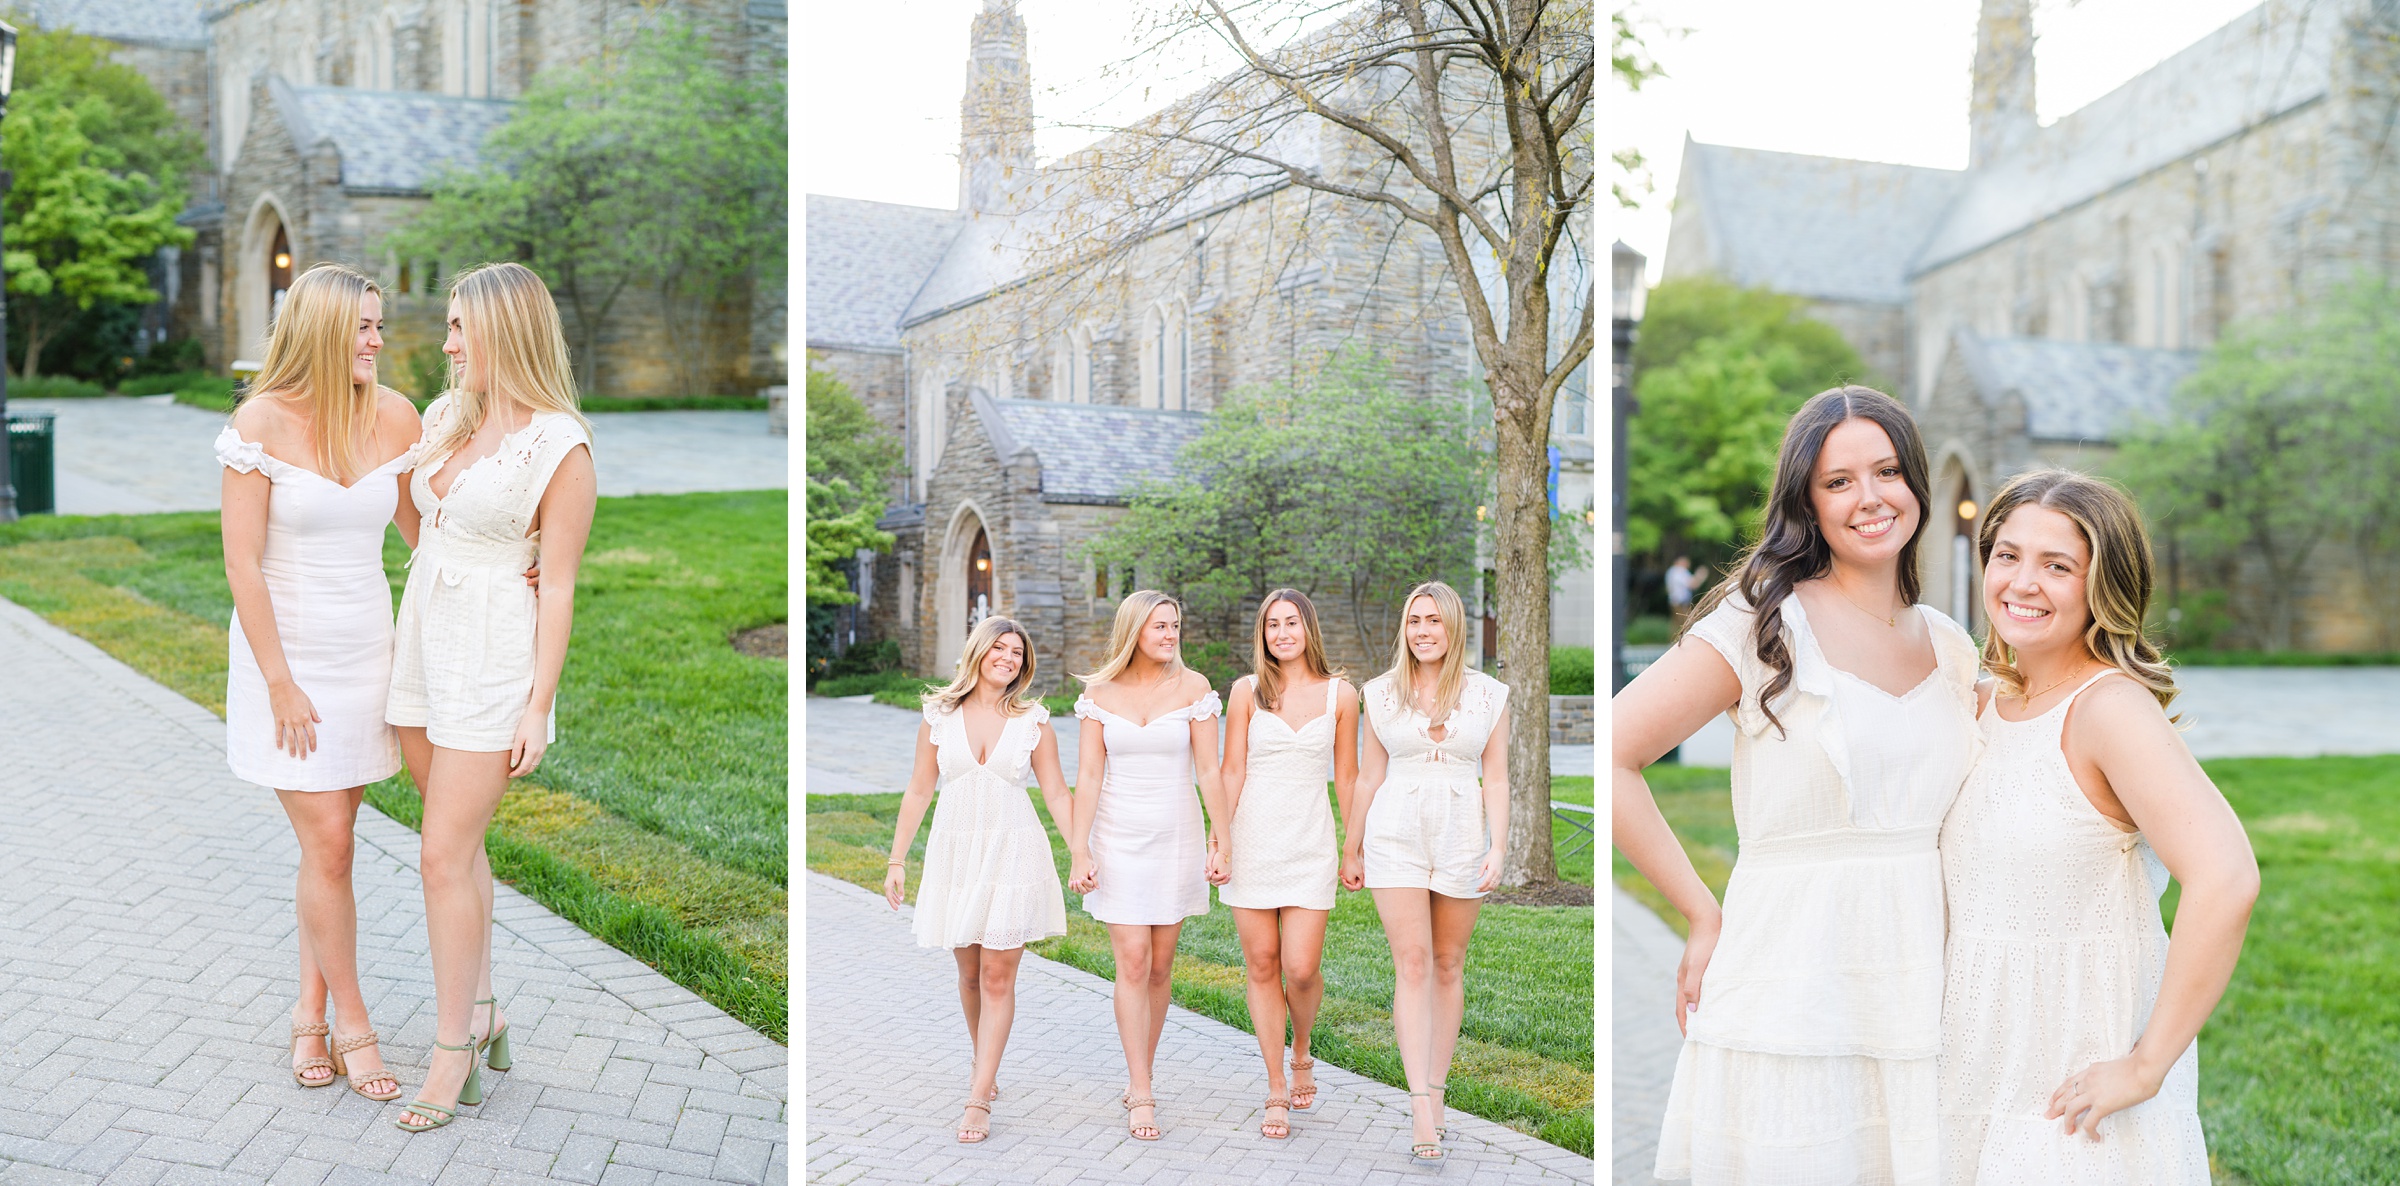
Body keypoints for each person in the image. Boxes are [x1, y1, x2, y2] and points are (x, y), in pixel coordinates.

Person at [1613, 385, 1982, 1184]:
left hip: (1924, 982)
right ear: (1807, 503)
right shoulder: (1760, 626)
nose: (1871, 497)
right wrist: (1700, 910)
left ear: (1918, 481)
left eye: (1887, 471)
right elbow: (1612, 753)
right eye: (1839, 481)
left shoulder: (1952, 647)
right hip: (1791, 975)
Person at [1938, 470, 2257, 1184]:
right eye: (2007, 555)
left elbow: (2227, 877)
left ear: (2101, 586)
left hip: (2070, 1090)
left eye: (2057, 566)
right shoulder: (1980, 702)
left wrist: (2145, 1067)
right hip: (1973, 1065)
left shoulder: (2108, 710)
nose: (2022, 582)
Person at [387, 262, 598, 1133]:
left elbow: (562, 584)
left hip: (494, 656)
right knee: (455, 843)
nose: (445, 345)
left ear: (504, 334)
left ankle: (450, 1053)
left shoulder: (562, 446)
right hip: (424, 641)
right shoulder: (445, 418)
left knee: (441, 854)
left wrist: (538, 703)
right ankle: (483, 1013)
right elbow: (419, 517)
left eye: (459, 329)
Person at [218, 263, 415, 1104]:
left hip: (370, 650)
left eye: (381, 326)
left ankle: (309, 1010)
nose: (378, 340)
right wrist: (279, 685)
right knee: (330, 845)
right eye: (365, 326)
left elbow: (425, 533)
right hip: (287, 661)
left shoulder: (398, 416)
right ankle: (355, 1028)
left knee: (325, 851)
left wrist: (510, 569)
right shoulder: (260, 421)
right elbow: (242, 564)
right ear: (324, 329)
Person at [883, 616, 1082, 1144]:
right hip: (957, 857)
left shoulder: (1034, 721)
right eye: (999, 648)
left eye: (1017, 652)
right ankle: (984, 1067)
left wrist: (1081, 852)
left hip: (1013, 854)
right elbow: (918, 790)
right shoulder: (939, 717)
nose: (1008, 658)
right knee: (969, 976)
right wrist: (897, 860)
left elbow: (1059, 794)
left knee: (997, 977)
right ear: (977, 652)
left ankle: (978, 1096)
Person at [1343, 579, 1510, 1163]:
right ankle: (1418, 1105)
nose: (1422, 631)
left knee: (1447, 963)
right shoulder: (1381, 693)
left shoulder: (1489, 695)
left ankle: (1438, 1092)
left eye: (1433, 621)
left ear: (1453, 627)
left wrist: (1499, 846)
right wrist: (1352, 846)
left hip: (1463, 833)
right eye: (1414, 621)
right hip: (1395, 836)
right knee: (1411, 963)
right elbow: (1368, 775)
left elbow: (1499, 777)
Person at [1066, 590, 1230, 1142]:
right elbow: (1087, 776)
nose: (1169, 634)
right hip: (1116, 835)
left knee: (1161, 965)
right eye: (1159, 625)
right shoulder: (1099, 694)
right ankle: (1141, 1088)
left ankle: (1145, 1066)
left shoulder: (1195, 689)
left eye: (1175, 625)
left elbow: (1210, 771)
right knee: (1132, 961)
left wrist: (1221, 837)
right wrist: (1080, 847)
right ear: (1133, 630)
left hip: (1176, 836)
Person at [1218, 589, 1357, 1139]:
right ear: (1263, 635)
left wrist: (1353, 844)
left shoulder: (1341, 695)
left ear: (1308, 629)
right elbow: (1231, 771)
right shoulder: (1246, 692)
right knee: (1262, 964)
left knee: (1300, 967)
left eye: (1291, 622)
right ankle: (1276, 1084)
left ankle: (1302, 1047)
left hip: (1310, 840)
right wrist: (1220, 836)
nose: (1281, 633)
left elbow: (1347, 776)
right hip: (1252, 838)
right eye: (1272, 624)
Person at [1665, 556, 1705, 623]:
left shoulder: (1671, 571)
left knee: (1676, 622)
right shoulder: (1679, 571)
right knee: (1685, 622)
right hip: (1680, 602)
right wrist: (1700, 575)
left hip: (1674, 600)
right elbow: (1692, 585)